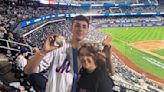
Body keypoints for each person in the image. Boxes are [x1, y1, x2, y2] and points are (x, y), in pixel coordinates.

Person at [24, 15, 114, 92]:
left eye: (84, 26)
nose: (80, 29)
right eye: (77, 25)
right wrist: (43, 51)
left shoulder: (89, 52)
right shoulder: (57, 48)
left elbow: (110, 72)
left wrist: (108, 57)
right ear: (71, 28)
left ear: (87, 30)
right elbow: (28, 71)